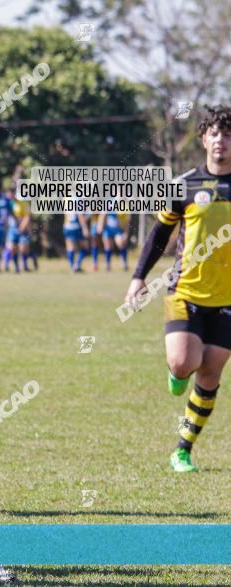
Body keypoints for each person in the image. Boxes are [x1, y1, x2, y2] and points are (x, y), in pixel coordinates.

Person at [123, 105, 231, 473]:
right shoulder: (185, 184)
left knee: (210, 376)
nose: (221, 141)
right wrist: (139, 277)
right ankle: (176, 370)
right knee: (184, 362)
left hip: (227, 300)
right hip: (183, 292)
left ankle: (182, 449)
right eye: (215, 134)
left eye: (228, 135)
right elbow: (158, 235)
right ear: (203, 139)